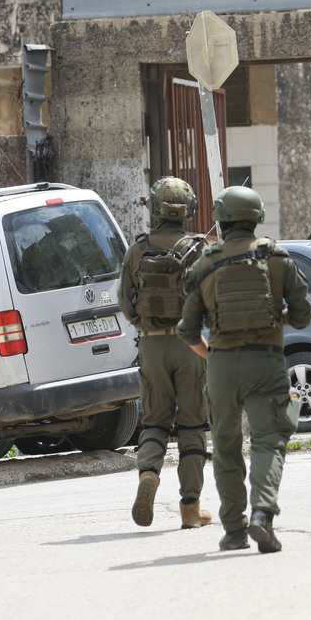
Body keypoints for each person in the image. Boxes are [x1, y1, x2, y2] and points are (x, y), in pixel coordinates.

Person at [178, 186, 311, 553]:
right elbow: (303, 315)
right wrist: (277, 319)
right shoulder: (278, 259)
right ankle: (262, 516)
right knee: (269, 440)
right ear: (257, 218)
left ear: (221, 221)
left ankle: (234, 530)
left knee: (225, 447)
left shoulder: (205, 263)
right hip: (265, 361)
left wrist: (211, 356)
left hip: (221, 366)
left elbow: (187, 329)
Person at [119, 177, 212, 530]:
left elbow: (126, 302)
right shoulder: (199, 248)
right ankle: (191, 509)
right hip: (190, 344)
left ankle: (149, 475)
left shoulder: (137, 250)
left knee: (155, 422)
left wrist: (146, 326)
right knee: (192, 425)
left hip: (152, 345)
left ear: (155, 209)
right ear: (187, 210)